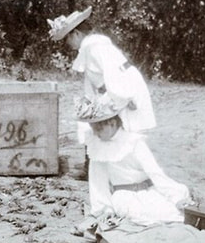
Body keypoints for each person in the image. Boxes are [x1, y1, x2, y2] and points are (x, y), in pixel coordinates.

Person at [47, 7, 156, 144]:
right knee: (97, 127)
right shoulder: (88, 48)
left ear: (76, 33)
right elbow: (91, 81)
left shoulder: (96, 47)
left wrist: (125, 97)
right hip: (115, 89)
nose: (66, 44)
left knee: (128, 133)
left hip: (125, 86)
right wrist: (89, 102)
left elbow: (113, 72)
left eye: (66, 39)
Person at [76, 97, 191, 226]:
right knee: (139, 214)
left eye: (99, 129)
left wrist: (176, 197)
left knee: (171, 211)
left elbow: (155, 172)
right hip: (123, 196)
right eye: (93, 129)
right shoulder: (97, 145)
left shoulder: (133, 142)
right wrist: (105, 209)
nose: (96, 134)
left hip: (148, 191)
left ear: (112, 123)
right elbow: (98, 182)